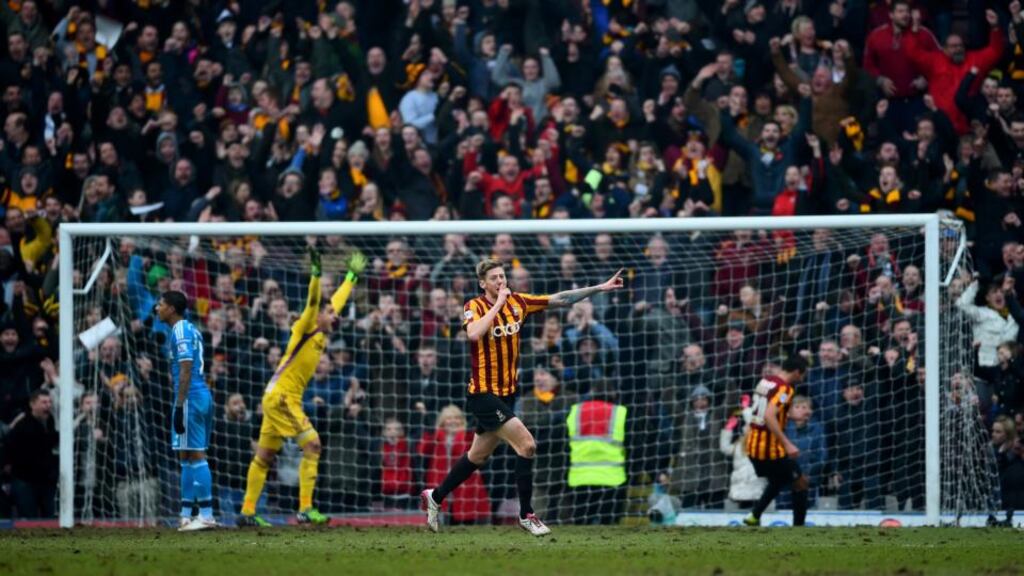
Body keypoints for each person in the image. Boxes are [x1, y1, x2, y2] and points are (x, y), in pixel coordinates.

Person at [421, 258, 624, 536]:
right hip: (482, 393)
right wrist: (497, 304)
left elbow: (561, 299)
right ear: (483, 283)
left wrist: (601, 287)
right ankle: (527, 514)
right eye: (494, 278)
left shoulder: (520, 302)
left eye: (502, 276)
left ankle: (435, 497)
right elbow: (474, 333)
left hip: (506, 394)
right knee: (527, 445)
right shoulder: (474, 306)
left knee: (477, 457)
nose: (500, 281)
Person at [236, 247, 367, 527]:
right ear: (319, 315)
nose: (336, 315)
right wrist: (316, 276)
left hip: (276, 396)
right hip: (283, 398)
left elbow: (338, 300)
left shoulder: (321, 330)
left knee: (264, 455)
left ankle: (247, 512)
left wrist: (351, 277)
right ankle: (306, 508)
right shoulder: (306, 326)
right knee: (313, 445)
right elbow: (313, 302)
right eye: (329, 312)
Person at [155, 290, 216, 531]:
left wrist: (179, 405)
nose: (157, 308)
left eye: (160, 304)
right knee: (186, 456)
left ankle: (207, 515)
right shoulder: (192, 330)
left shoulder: (180, 329)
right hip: (199, 395)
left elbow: (186, 367)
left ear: (171, 308)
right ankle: (185, 515)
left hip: (190, 396)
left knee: (196, 454)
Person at [743, 355, 809, 527]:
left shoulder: (765, 381)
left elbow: (765, 409)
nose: (802, 379)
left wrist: (793, 415)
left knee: (778, 480)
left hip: (752, 446)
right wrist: (787, 444)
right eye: (802, 375)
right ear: (796, 372)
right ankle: (799, 529)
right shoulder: (785, 389)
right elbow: (769, 415)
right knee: (801, 482)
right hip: (769, 449)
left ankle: (754, 516)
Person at [566, 380, 628, 524]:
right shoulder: (620, 412)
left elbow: (564, 442)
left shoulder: (575, 410)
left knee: (581, 527)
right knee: (610, 526)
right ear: (613, 394)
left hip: (580, 478)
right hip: (612, 478)